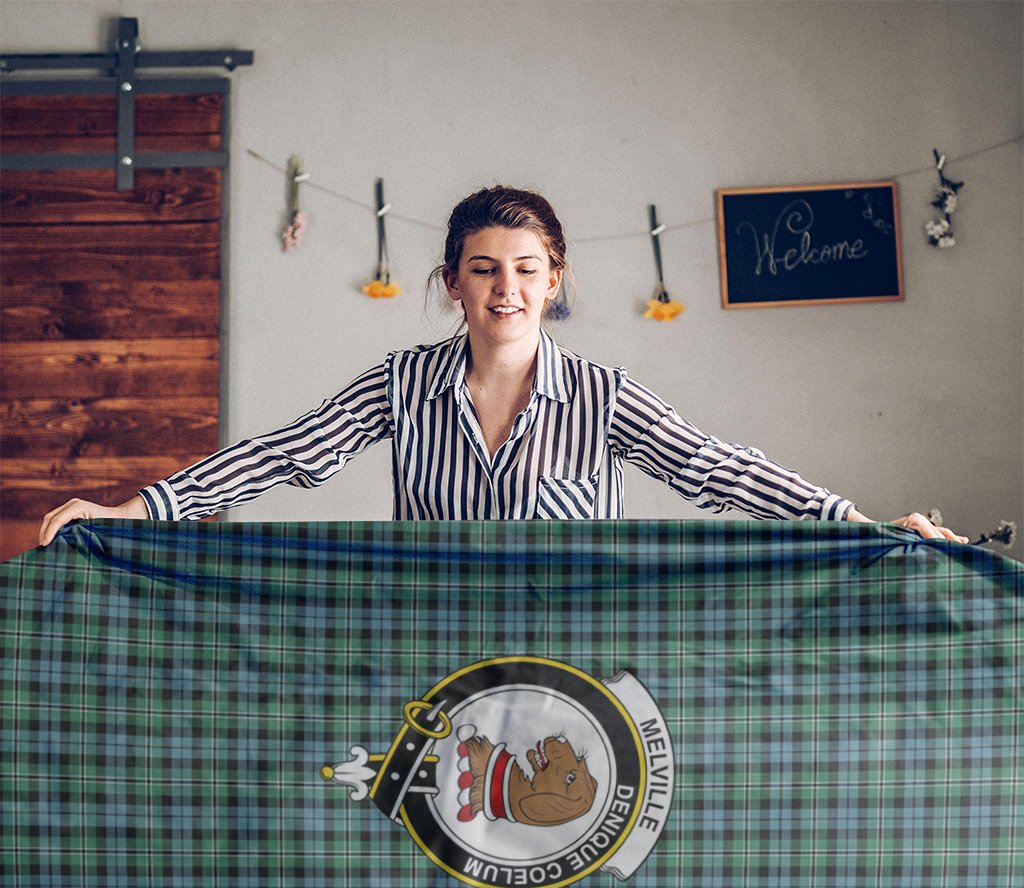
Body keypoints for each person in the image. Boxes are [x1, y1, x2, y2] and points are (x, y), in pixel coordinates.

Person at [38, 186, 967, 546]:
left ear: (555, 281)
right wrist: (135, 510)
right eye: (484, 270)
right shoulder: (402, 382)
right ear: (453, 283)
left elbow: (719, 469)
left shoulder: (603, 397)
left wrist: (860, 523)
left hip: (580, 665)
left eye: (527, 271)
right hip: (432, 663)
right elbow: (284, 455)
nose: (506, 289)